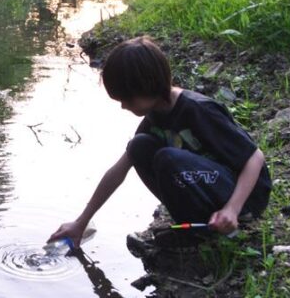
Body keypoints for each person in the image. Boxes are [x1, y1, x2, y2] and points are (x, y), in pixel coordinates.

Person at [49, 36, 271, 248]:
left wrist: (233, 208)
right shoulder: (155, 113)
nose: (123, 106)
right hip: (208, 186)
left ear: (147, 86)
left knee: (167, 158)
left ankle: (200, 233)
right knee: (138, 146)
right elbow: (119, 170)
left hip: (244, 197)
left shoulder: (198, 110)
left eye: (127, 99)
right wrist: (81, 221)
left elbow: (255, 157)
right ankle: (193, 225)